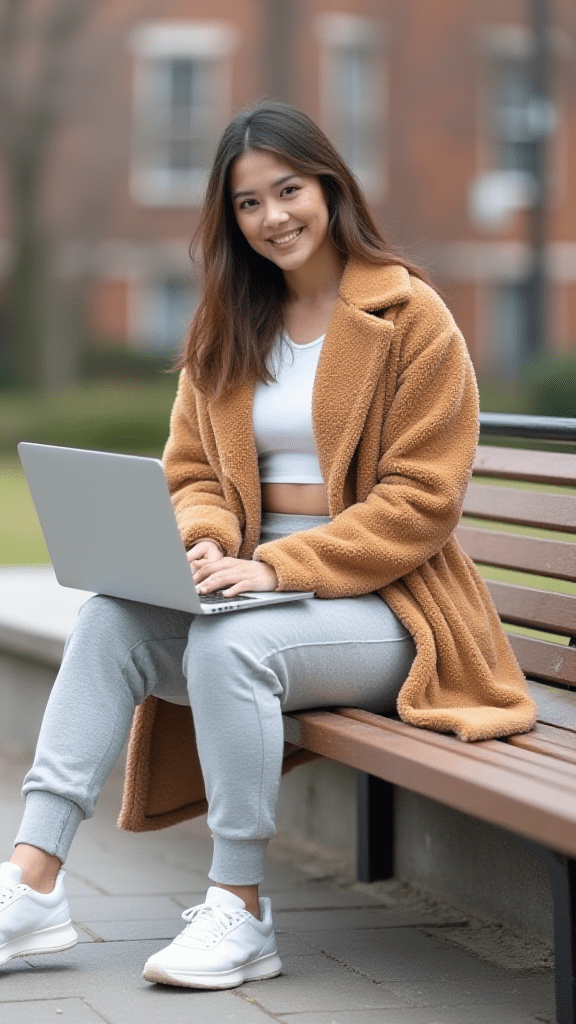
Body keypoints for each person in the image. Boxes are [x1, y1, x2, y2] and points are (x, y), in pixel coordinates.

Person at [0, 102, 537, 989]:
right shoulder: (230, 320)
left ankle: (240, 906)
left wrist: (275, 567)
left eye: (288, 191)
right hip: (253, 592)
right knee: (107, 621)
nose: (272, 217)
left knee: (233, 644)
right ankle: (34, 883)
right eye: (248, 203)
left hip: (391, 609)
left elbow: (422, 502)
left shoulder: (410, 315)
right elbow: (192, 473)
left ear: (330, 187)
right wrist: (208, 545)